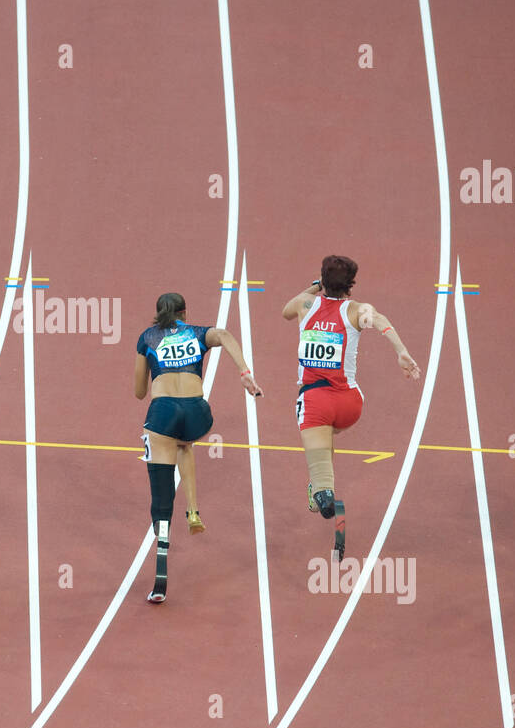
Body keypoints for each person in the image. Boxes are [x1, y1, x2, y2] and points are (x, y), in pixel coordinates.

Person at [282, 255, 419, 560]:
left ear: (322, 280)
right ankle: (321, 487)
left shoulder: (306, 305)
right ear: (351, 286)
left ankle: (322, 492)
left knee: (317, 448)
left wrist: (315, 287)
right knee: (327, 433)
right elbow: (381, 321)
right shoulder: (355, 310)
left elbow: (285, 311)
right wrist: (401, 352)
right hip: (350, 404)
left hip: (316, 402)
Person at [133, 293, 262, 603]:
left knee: (161, 492)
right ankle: (193, 510)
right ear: (184, 312)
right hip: (197, 413)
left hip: (162, 413)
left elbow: (139, 392)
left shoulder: (147, 337)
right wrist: (245, 373)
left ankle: (162, 535)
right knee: (184, 445)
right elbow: (226, 335)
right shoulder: (198, 332)